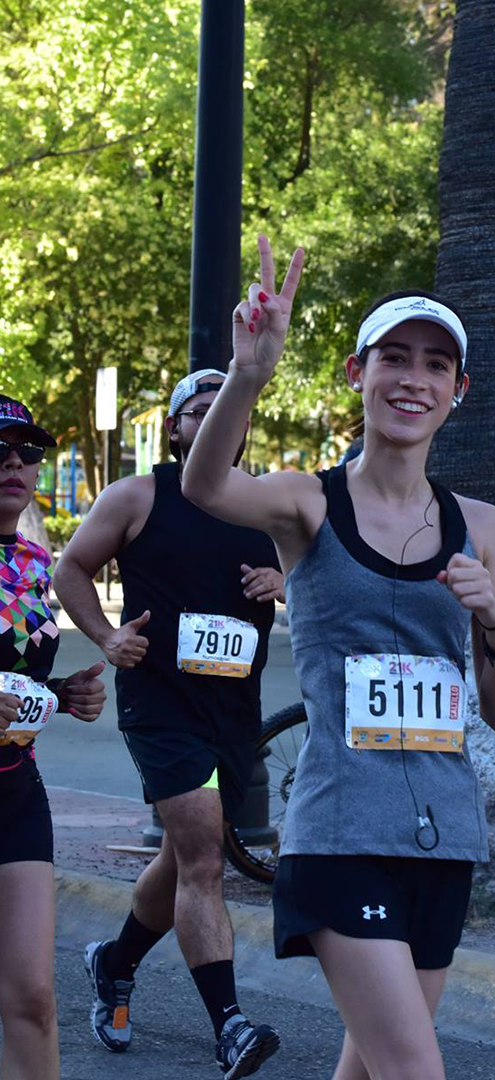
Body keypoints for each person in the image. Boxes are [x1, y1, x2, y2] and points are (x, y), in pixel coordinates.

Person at [182, 235, 495, 1080]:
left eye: (436, 365)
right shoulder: (309, 501)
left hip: (446, 836)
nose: (414, 379)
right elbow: (205, 487)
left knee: (368, 1071)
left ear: (458, 392)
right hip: (340, 835)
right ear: (356, 373)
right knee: (416, 1071)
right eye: (394, 359)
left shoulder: (483, 527)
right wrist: (249, 373)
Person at [53, 372, 286, 1078]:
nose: (218, 420)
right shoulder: (139, 495)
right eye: (200, 411)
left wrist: (284, 584)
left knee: (191, 852)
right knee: (205, 859)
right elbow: (71, 569)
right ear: (176, 427)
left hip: (233, 706)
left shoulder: (262, 504)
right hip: (160, 705)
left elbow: (308, 573)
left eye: (231, 410)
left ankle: (115, 962)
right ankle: (230, 1027)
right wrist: (104, 636)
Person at [0, 395, 107, 1080]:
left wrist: (65, 697)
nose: (15, 463)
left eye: (28, 451)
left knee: (34, 999)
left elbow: (19, 681)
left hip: (15, 792)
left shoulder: (37, 566)